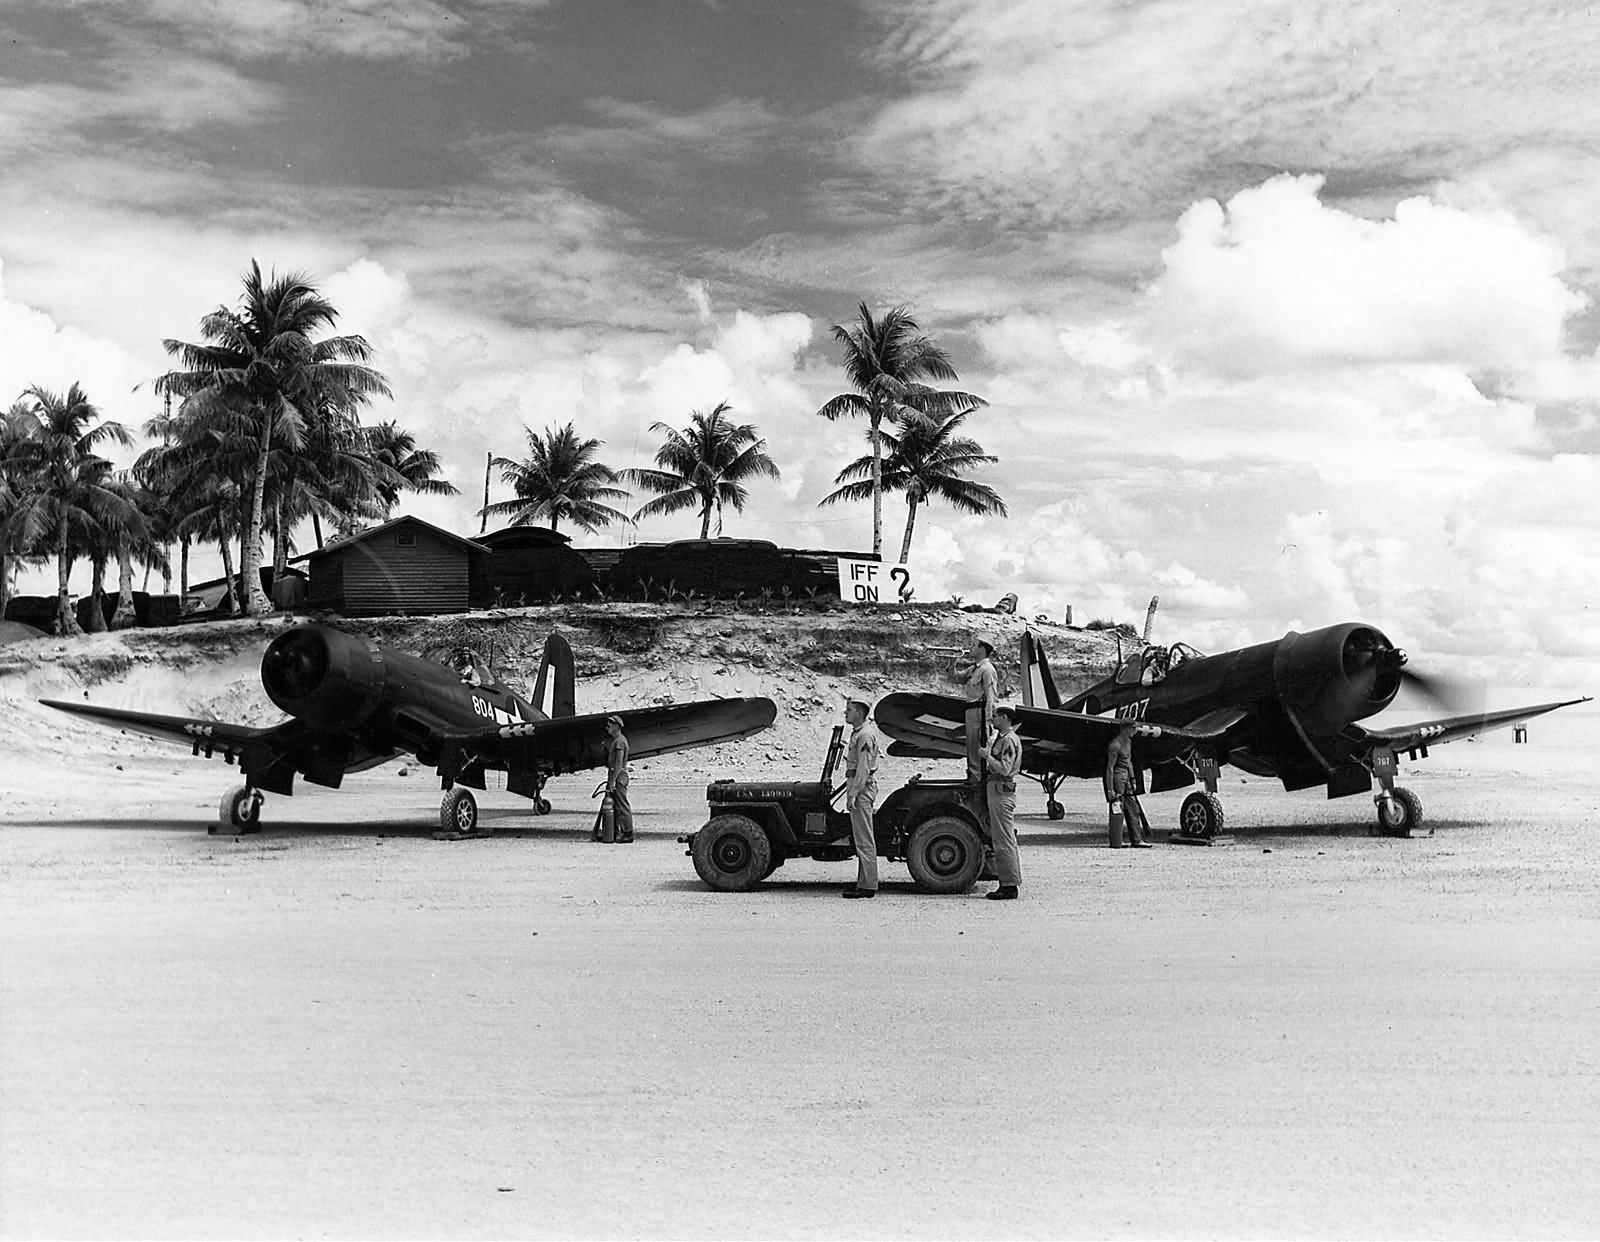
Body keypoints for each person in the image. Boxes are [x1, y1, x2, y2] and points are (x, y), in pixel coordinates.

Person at [979, 705, 1023, 899]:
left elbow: (1004, 769)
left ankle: (1009, 885)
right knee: (1002, 838)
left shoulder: (1008, 741)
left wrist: (987, 757)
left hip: (1001, 790)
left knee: (1003, 839)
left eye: (996, 716)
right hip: (997, 789)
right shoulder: (1002, 738)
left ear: (1005, 718)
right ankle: (1008, 881)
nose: (993, 719)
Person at [841, 699, 880, 898]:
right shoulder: (860, 732)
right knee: (862, 838)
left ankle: (868, 886)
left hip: (861, 788)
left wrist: (854, 794)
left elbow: (863, 769)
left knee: (864, 839)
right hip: (859, 785)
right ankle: (863, 882)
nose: (845, 713)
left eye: (849, 710)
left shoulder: (864, 735)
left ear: (859, 712)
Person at [1104, 723, 1152, 848]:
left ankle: (1136, 840)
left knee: (1133, 808)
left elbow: (1129, 762)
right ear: (1125, 729)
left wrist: (1133, 779)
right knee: (1117, 808)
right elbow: (1110, 768)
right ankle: (1117, 841)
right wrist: (1110, 790)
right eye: (1133, 728)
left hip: (1126, 778)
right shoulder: (1115, 745)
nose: (1136, 730)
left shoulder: (1128, 742)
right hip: (1118, 777)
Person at [604, 714, 634, 844]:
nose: (608, 728)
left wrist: (612, 782)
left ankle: (628, 833)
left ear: (616, 726)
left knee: (622, 805)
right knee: (616, 806)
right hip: (616, 776)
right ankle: (617, 831)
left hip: (619, 777)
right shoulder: (617, 741)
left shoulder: (620, 742)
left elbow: (618, 764)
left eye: (610, 725)